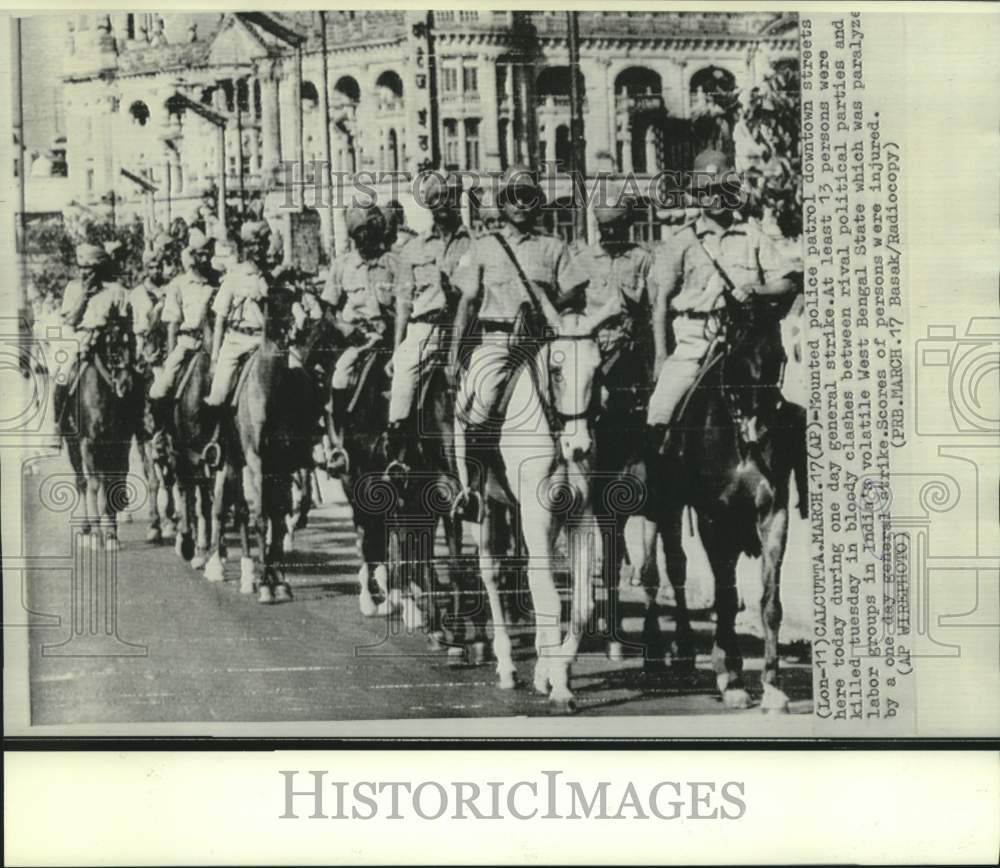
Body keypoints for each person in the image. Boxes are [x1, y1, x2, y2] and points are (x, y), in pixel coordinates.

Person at [448, 164, 589, 520]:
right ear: (503, 203)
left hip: (543, 341)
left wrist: (549, 311)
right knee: (477, 404)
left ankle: (589, 481)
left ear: (537, 202)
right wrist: (455, 352)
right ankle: (473, 490)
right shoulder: (483, 248)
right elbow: (466, 303)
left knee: (587, 395)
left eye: (528, 197)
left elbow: (574, 295)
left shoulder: (555, 247)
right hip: (497, 341)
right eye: (513, 198)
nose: (520, 205)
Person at [646, 148, 801, 454]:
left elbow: (787, 282)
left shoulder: (752, 236)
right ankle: (666, 493)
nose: (713, 197)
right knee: (659, 414)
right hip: (694, 343)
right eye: (705, 191)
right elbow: (660, 302)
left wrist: (756, 289)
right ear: (695, 194)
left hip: (746, 343)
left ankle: (786, 492)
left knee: (787, 415)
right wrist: (662, 355)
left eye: (720, 189)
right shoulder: (681, 242)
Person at [384, 172, 472, 474]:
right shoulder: (414, 249)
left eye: (448, 199)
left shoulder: (477, 244)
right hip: (426, 329)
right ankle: (397, 450)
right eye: (435, 201)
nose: (443, 206)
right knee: (403, 381)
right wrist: (397, 348)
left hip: (469, 331)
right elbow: (404, 302)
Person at [321, 204, 399, 476]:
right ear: (353, 236)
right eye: (360, 233)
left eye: (370, 232)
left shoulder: (393, 263)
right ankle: (340, 443)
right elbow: (328, 309)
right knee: (339, 377)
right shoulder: (342, 266)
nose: (366, 239)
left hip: (390, 340)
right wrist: (344, 328)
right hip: (358, 340)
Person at [201, 221, 273, 464]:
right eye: (254, 245)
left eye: (262, 244)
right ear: (246, 248)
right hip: (237, 340)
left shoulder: (271, 275)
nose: (259, 249)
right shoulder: (233, 277)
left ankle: (303, 441)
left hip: (266, 341)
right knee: (218, 393)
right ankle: (215, 441)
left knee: (299, 377)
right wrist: (214, 357)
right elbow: (220, 319)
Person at [571, 201, 654, 376]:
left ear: (627, 225)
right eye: (605, 227)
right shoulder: (583, 260)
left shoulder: (642, 259)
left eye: (617, 226)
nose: (610, 232)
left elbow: (653, 305)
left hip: (629, 345)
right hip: (591, 341)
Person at [52, 244, 130, 421]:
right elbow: (71, 320)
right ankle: (58, 422)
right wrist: (85, 296)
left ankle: (137, 428)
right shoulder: (73, 288)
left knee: (131, 380)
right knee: (62, 373)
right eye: (82, 268)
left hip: (110, 342)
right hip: (81, 338)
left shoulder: (116, 290)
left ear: (99, 268)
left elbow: (124, 323)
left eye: (89, 268)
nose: (84, 273)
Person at [148, 230, 217, 416]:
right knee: (159, 390)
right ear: (192, 256)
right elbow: (173, 324)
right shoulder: (179, 284)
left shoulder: (217, 282)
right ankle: (162, 432)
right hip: (188, 343)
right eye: (200, 254)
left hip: (217, 344)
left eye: (207, 254)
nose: (205, 258)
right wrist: (171, 356)